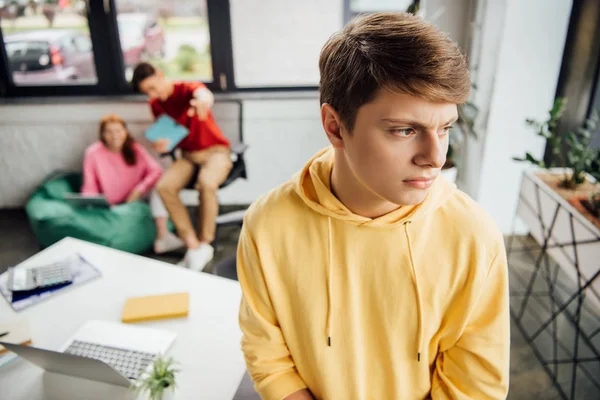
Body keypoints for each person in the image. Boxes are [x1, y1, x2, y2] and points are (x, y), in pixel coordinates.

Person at [237, 12, 509, 400]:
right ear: (334, 126)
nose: (435, 157)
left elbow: (476, 386)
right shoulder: (268, 225)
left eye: (445, 128)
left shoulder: (473, 236)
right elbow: (267, 353)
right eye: (405, 130)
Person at [131, 62, 232, 271]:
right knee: (164, 187)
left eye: (152, 88)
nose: (153, 94)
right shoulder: (156, 104)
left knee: (206, 183)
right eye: (146, 92)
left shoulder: (187, 89)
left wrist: (203, 100)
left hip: (216, 151)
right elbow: (169, 135)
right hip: (187, 156)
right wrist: (160, 143)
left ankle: (205, 243)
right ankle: (192, 244)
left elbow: (203, 94)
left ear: (160, 75)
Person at [81, 114, 184, 254]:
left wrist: (138, 190)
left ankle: (163, 235)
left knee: (162, 186)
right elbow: (89, 185)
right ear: (102, 134)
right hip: (110, 204)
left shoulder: (134, 149)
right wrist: (89, 204)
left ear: (125, 132)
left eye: (118, 131)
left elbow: (156, 171)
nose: (114, 136)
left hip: (135, 200)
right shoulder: (93, 153)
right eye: (109, 132)